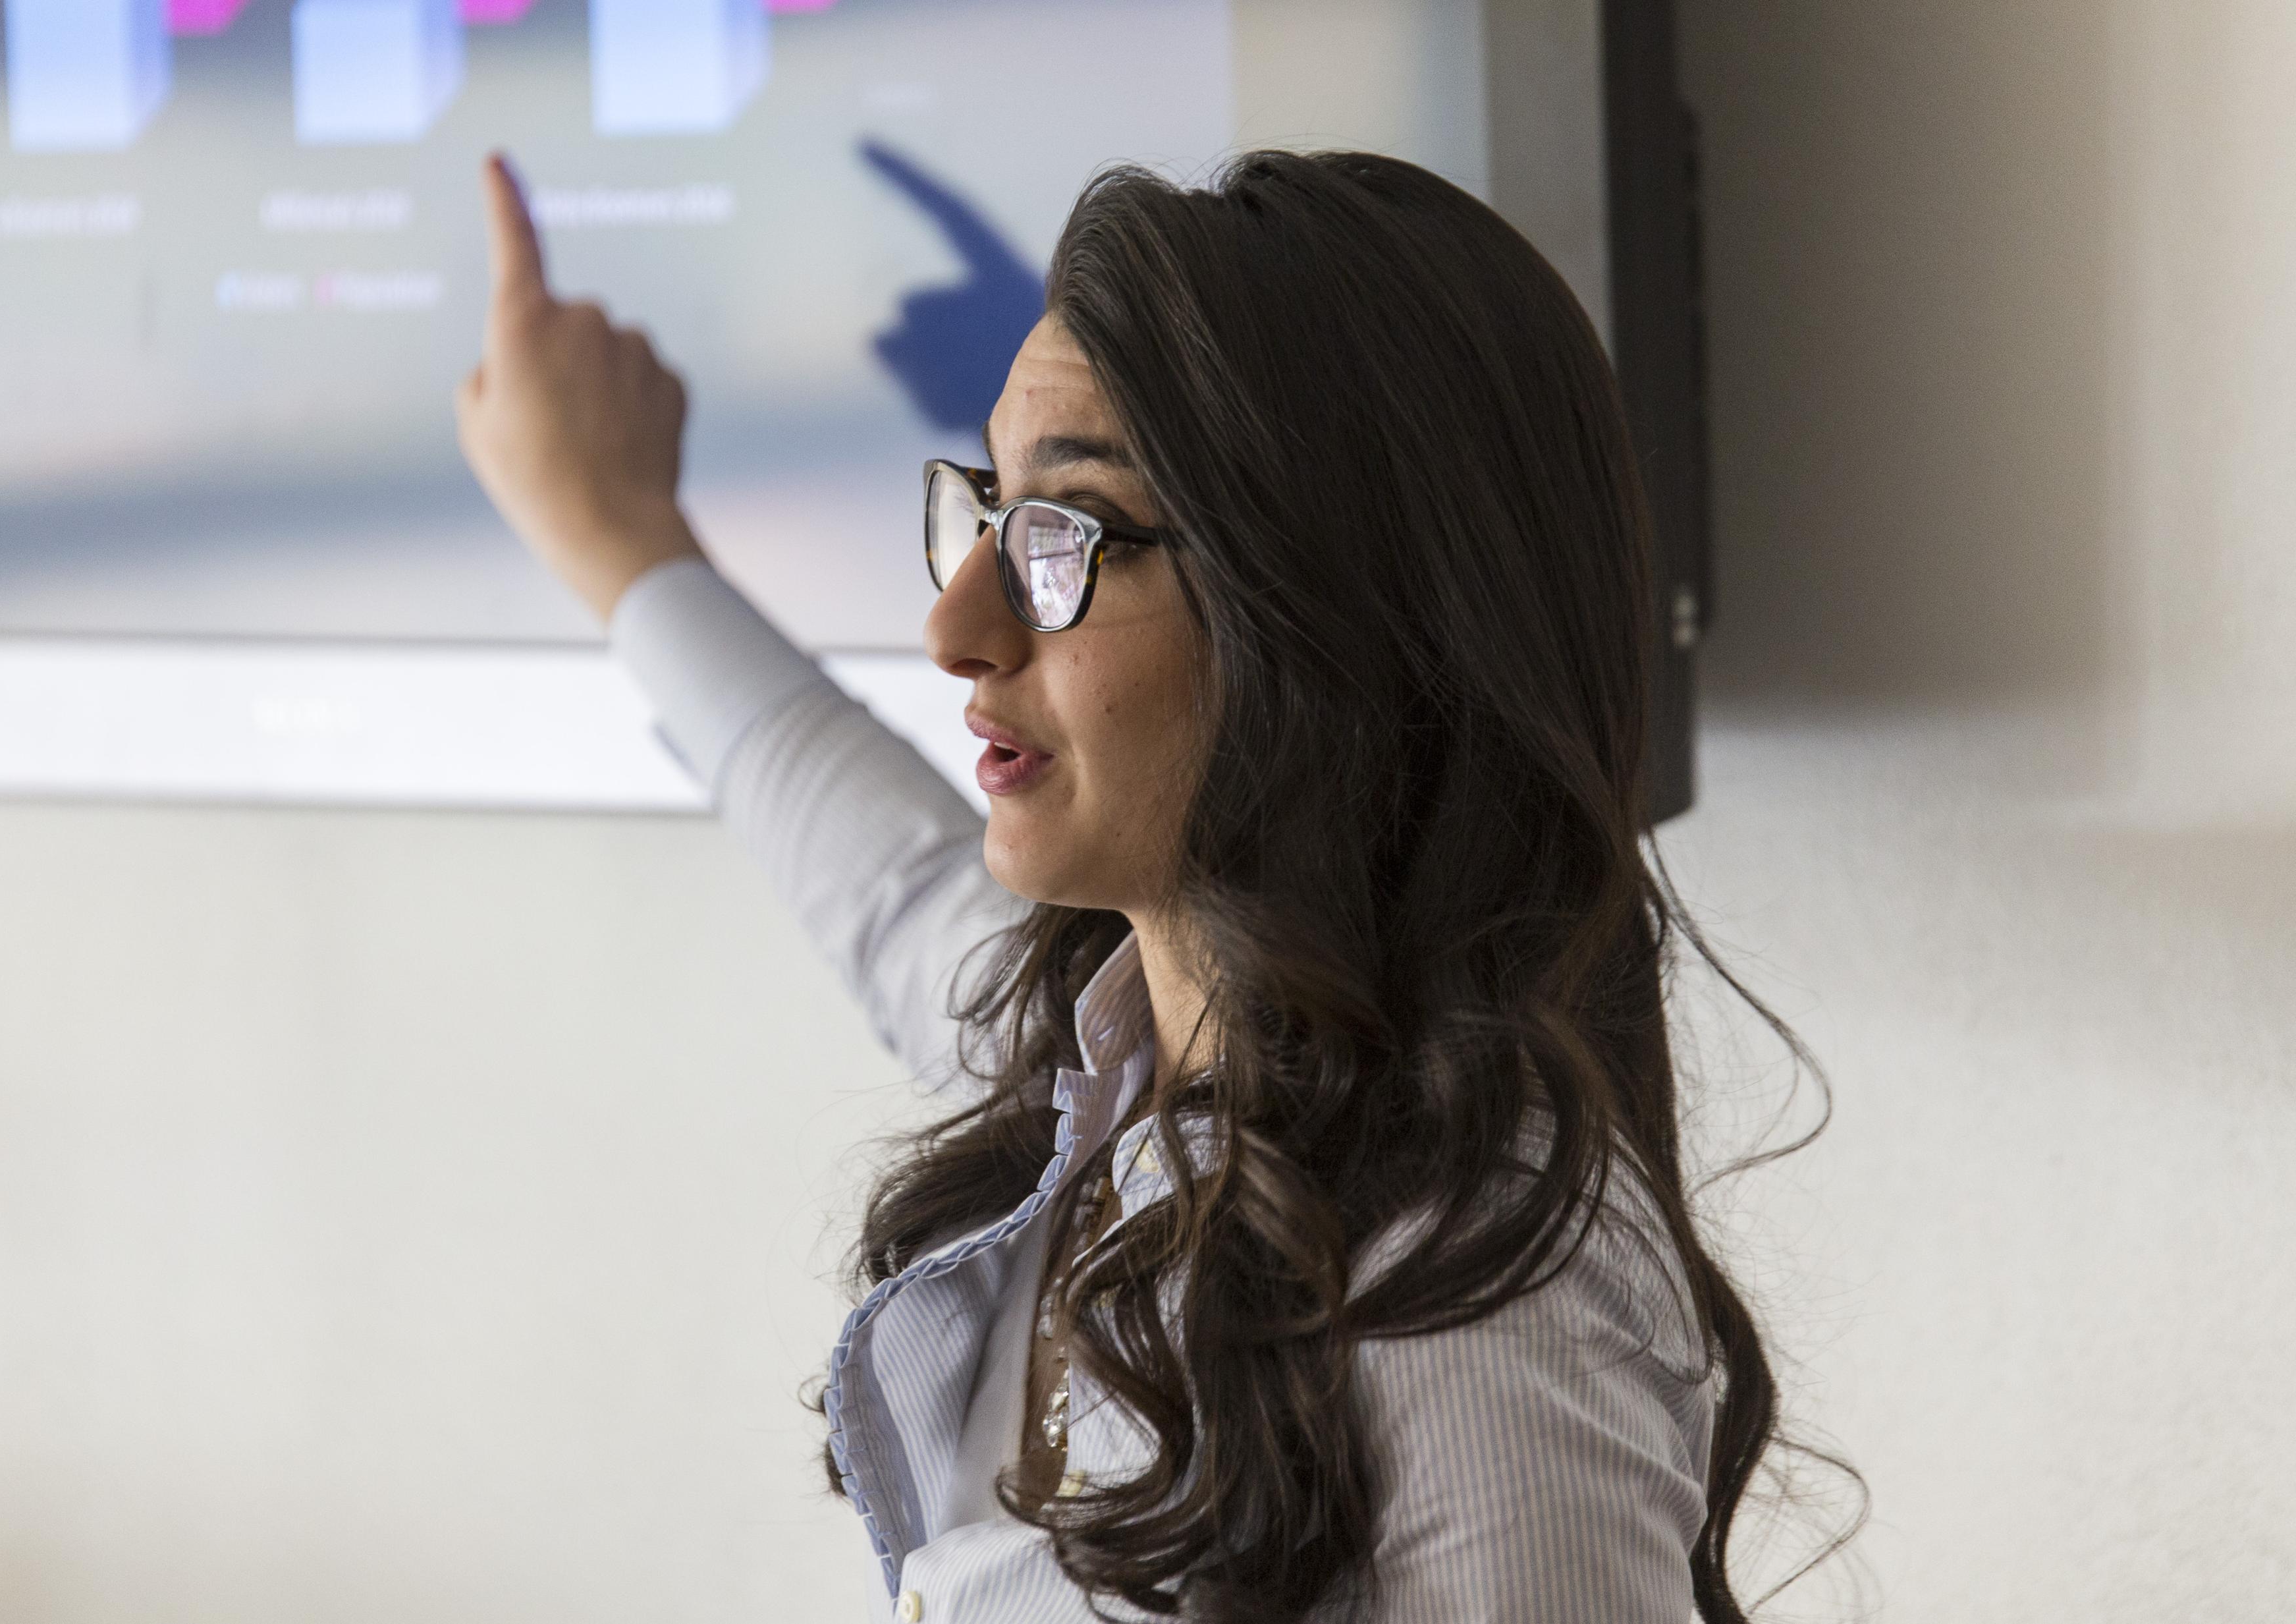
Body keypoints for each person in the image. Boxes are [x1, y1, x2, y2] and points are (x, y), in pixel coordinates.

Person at [457, 146, 1792, 1624]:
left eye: (1065, 534)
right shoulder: (1110, 1070)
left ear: (1329, 610)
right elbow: (886, 883)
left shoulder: (1475, 1300)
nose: (953, 625)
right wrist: (619, 539)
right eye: (988, 511)